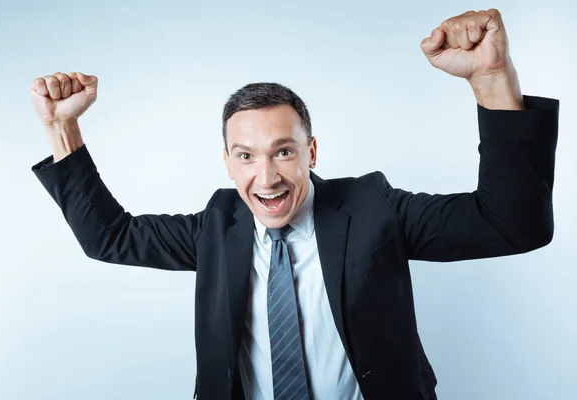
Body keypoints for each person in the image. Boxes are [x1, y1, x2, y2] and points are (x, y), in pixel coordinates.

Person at [30, 9, 559, 400]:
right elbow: (109, 237)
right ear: (228, 163)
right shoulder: (217, 224)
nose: (267, 177)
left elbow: (510, 225)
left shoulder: (372, 207)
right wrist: (61, 127)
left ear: (310, 152)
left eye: (283, 151)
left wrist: (491, 82)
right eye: (246, 156)